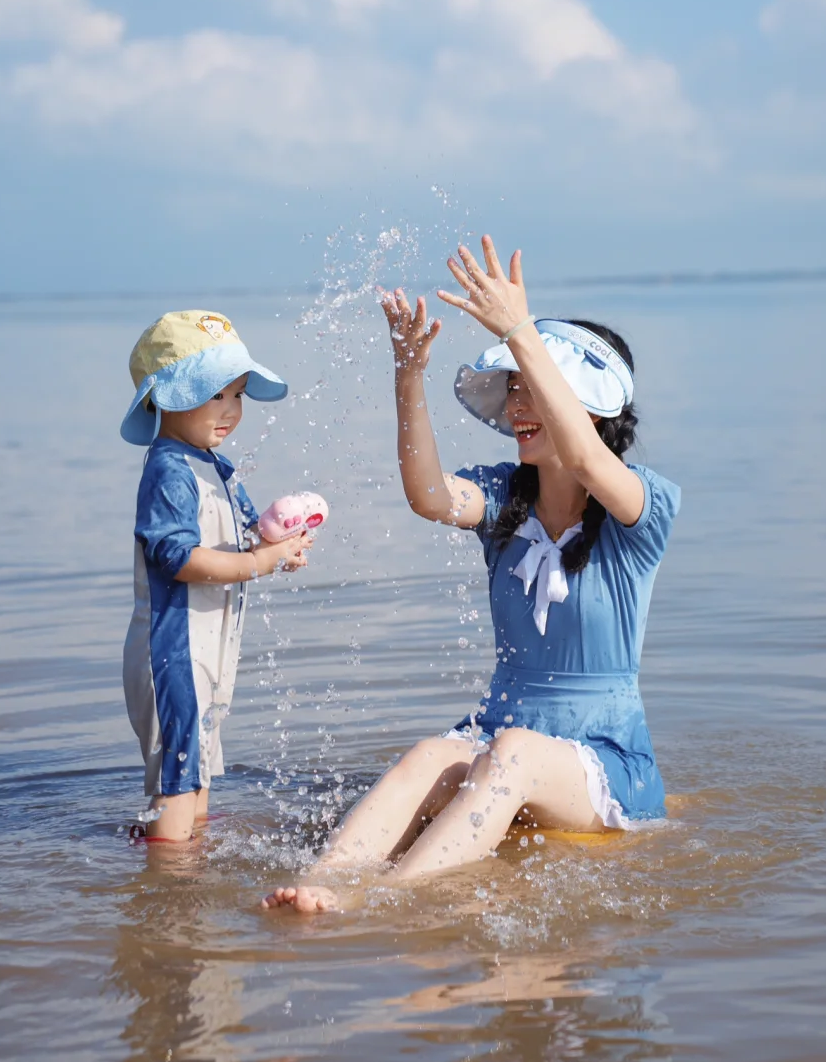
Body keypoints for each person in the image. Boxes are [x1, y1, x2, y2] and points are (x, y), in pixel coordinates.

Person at [266, 235, 679, 912]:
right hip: (499, 746)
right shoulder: (504, 501)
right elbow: (428, 495)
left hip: (601, 764)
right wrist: (407, 373)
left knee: (513, 749)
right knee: (431, 753)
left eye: (534, 387)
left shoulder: (642, 505)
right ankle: (324, 881)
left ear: (592, 410)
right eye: (511, 387)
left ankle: (383, 903)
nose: (518, 403)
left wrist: (519, 330)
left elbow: (586, 454)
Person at [120, 309, 314, 843]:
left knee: (195, 775)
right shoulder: (168, 470)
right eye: (215, 395)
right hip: (173, 654)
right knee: (177, 783)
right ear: (165, 398)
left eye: (238, 395)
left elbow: (243, 539)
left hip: (208, 654)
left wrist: (277, 544)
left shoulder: (214, 465)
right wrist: (257, 563)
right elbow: (176, 558)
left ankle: (189, 865)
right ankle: (168, 892)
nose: (230, 411)